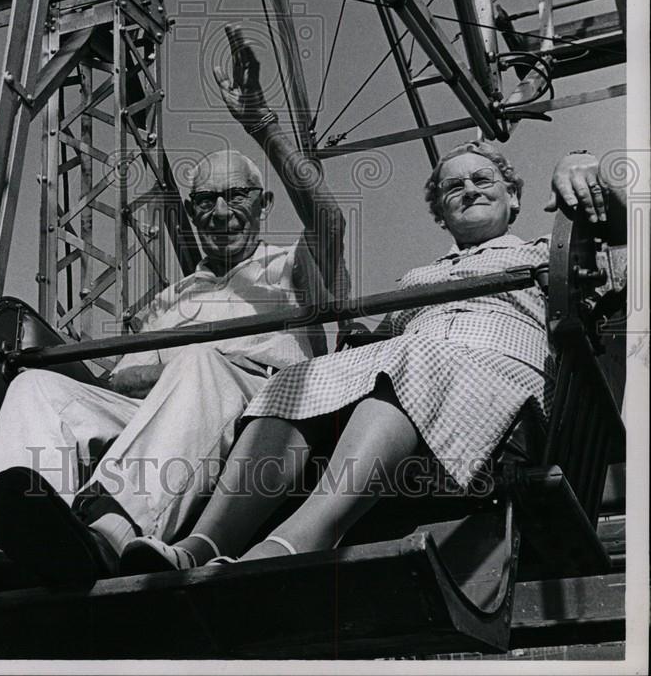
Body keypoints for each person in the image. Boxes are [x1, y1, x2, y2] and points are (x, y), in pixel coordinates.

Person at [0, 25, 347, 600]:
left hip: (257, 424)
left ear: (264, 202)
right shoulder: (168, 301)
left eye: (236, 197)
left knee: (200, 363)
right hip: (162, 420)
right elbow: (118, 381)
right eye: (204, 200)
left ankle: (109, 531)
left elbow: (330, 223)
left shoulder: (290, 268)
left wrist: (262, 126)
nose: (220, 212)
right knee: (39, 390)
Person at [117, 141, 624, 573]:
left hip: (497, 389)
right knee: (302, 379)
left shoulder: (546, 256)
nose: (468, 189)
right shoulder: (415, 282)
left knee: (412, 358)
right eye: (453, 187)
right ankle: (204, 544)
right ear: (441, 214)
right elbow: (368, 353)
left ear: (513, 197)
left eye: (482, 179)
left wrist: (587, 166)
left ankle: (297, 541)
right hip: (417, 378)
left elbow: (634, 239)